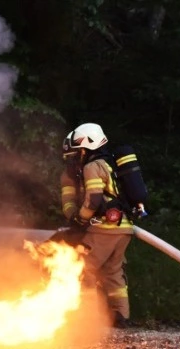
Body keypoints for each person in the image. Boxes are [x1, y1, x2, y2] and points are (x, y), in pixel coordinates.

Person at [59, 123, 133, 328]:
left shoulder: (92, 167)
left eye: (77, 153)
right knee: (113, 272)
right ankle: (121, 315)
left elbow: (93, 201)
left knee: (82, 268)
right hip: (124, 228)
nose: (74, 159)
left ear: (86, 148)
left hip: (104, 228)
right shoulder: (109, 165)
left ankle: (87, 318)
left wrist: (79, 220)